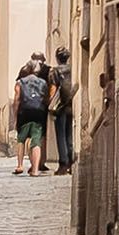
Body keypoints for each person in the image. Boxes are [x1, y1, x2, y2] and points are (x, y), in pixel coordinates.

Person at [12, 61, 50, 176]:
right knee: (36, 140)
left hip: (24, 112)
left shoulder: (20, 82)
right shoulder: (43, 82)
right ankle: (35, 169)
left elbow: (17, 99)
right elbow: (46, 98)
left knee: (21, 139)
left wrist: (15, 112)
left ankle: (19, 165)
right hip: (39, 112)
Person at [48, 46, 76, 175]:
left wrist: (50, 103)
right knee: (69, 134)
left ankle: (63, 164)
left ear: (57, 58)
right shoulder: (72, 69)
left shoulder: (55, 71)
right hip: (71, 103)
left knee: (61, 135)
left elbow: (53, 88)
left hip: (60, 106)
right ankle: (71, 162)